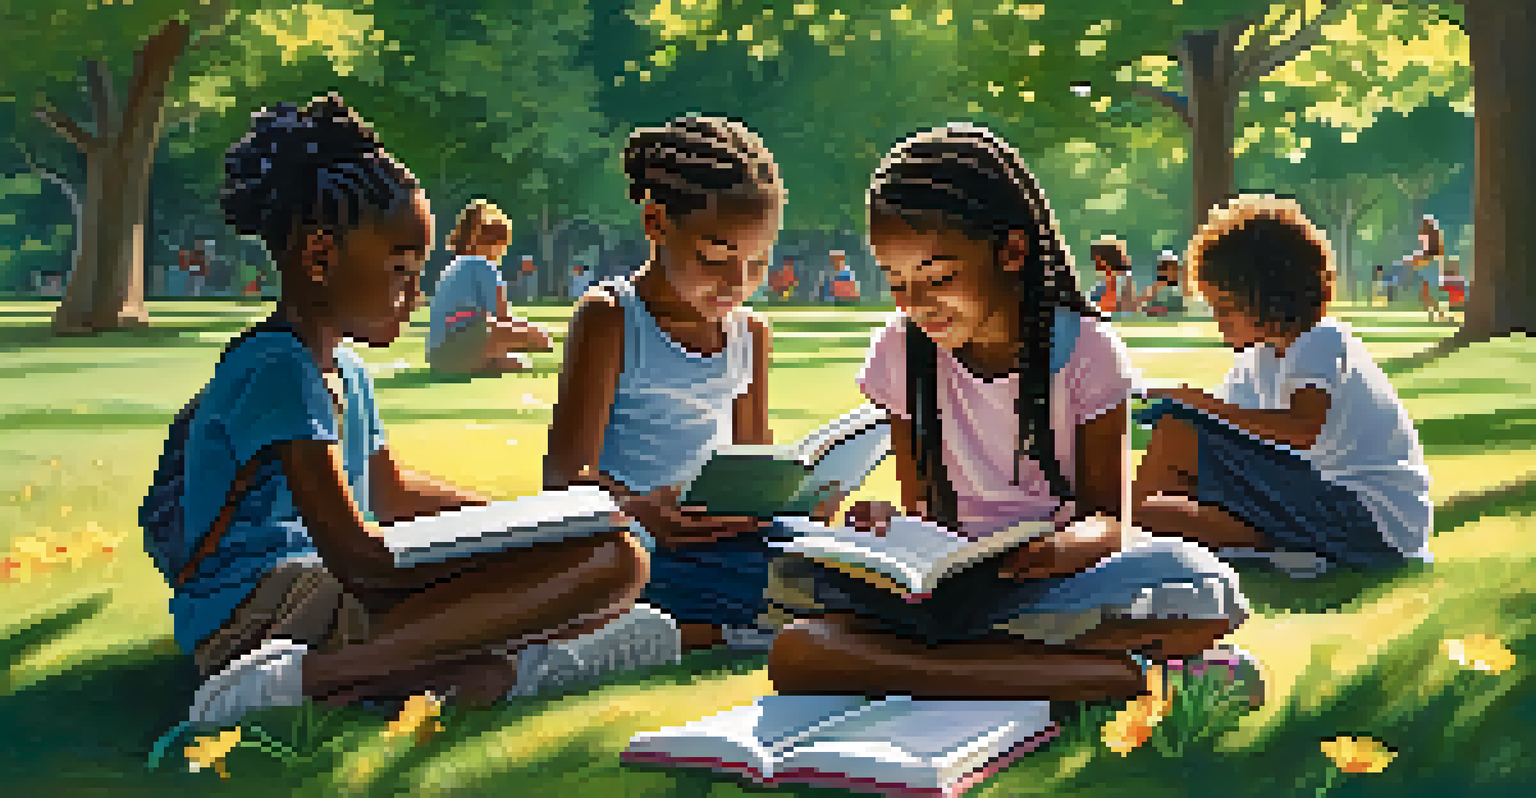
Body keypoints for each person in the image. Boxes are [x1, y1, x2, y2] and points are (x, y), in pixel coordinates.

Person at [157, 94, 649, 726]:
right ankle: (297, 682)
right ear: (318, 257)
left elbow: (390, 492)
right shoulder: (279, 367)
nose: (415, 296)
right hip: (259, 611)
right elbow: (359, 556)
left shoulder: (346, 368)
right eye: (399, 271)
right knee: (612, 564)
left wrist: (540, 522)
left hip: (325, 590)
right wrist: (506, 565)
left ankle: (459, 668)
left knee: (579, 579)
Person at [767, 123, 1254, 705]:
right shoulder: (900, 350)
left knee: (1201, 587)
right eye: (896, 283)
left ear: (1013, 252)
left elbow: (1108, 519)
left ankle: (938, 671)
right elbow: (923, 511)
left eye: (939, 277)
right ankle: (1113, 679)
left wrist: (1058, 551)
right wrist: (883, 526)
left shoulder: (1088, 352)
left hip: (1058, 579)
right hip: (946, 590)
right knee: (793, 649)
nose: (917, 304)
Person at [544, 115, 792, 653]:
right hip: (626, 533)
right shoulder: (611, 316)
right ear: (657, 224)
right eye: (715, 257)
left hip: (711, 537)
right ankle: (709, 627)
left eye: (758, 264)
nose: (737, 283)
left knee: (820, 563)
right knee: (624, 566)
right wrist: (638, 508)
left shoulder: (751, 332)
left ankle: (700, 629)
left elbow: (753, 461)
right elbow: (565, 475)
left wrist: (793, 498)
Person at [1132, 195, 1433, 578]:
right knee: (1155, 509)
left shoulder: (1319, 339)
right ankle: (1281, 547)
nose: (1219, 322)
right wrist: (1182, 405)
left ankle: (1122, 543)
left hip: (1371, 519)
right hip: (1325, 505)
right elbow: (1226, 436)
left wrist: (1197, 404)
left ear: (1266, 299)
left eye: (1225, 307)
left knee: (1175, 438)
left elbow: (1303, 428)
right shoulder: (1259, 357)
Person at [426, 200, 553, 374]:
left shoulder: (454, 267)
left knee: (513, 359)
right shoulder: (484, 265)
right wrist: (534, 334)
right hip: (460, 343)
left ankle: (487, 361)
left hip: (437, 357)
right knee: (536, 337)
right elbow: (502, 318)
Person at [1404, 215, 1447, 322]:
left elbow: (1432, 253)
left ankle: (1437, 313)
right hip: (1429, 265)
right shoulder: (1427, 236)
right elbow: (1426, 253)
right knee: (1426, 291)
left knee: (1429, 291)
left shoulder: (1434, 237)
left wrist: (1417, 259)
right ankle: (1434, 313)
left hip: (1431, 266)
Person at [1087, 236, 1137, 315]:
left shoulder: (1118, 279)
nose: (1095, 263)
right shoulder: (1108, 280)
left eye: (1096, 259)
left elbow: (1109, 306)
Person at [1139, 249, 1186, 318]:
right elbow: (1143, 308)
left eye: (1172, 267)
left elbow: (1179, 309)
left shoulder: (1182, 290)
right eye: (1165, 267)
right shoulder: (1153, 290)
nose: (1169, 271)